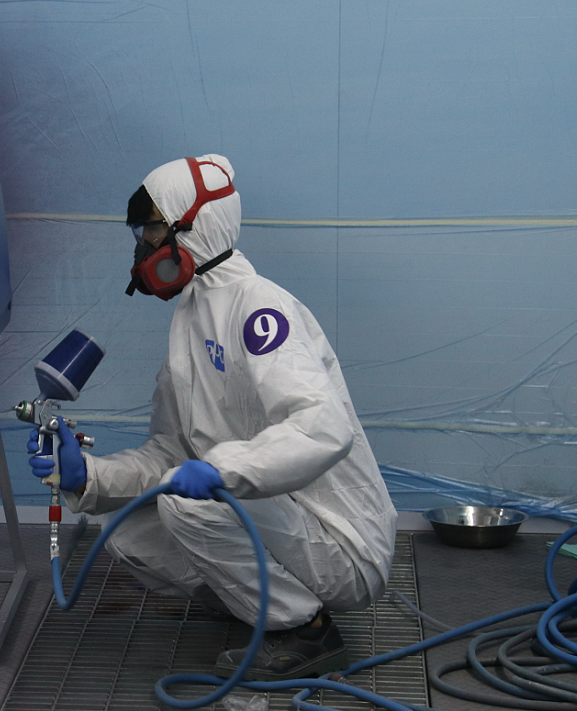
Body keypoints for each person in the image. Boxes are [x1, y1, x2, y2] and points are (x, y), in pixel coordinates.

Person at [28, 154, 397, 680]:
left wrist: (223, 470)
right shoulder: (190, 316)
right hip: (285, 524)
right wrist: (89, 476)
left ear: (193, 226)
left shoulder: (259, 307)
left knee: (186, 505)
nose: (143, 246)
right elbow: (169, 452)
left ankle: (308, 633)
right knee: (126, 524)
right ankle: (259, 602)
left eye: (152, 229)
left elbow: (324, 427)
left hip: (342, 543)